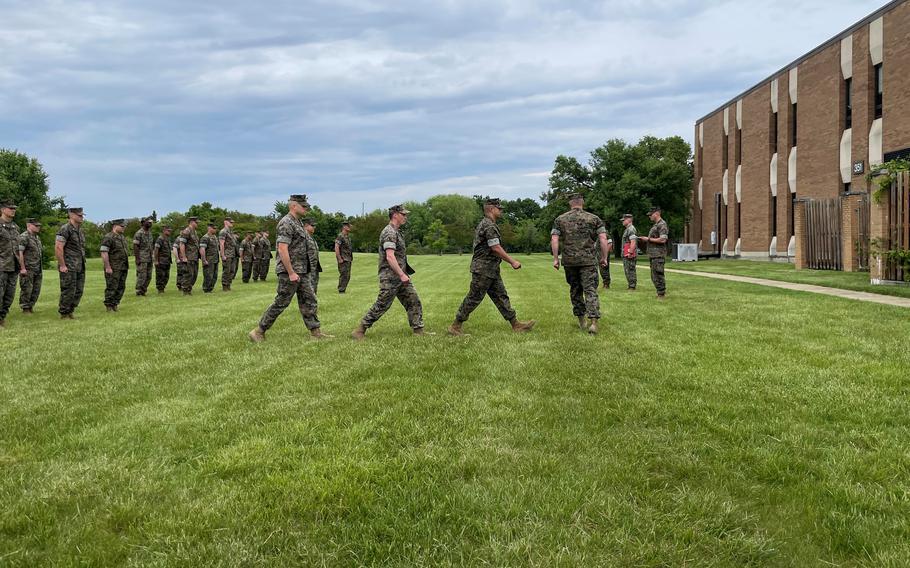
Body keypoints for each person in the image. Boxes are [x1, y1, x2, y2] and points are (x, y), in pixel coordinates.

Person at [448, 198, 535, 336]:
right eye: (498, 208)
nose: (501, 211)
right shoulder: (488, 225)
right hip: (483, 269)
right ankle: (456, 326)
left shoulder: (488, 224)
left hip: (491, 269)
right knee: (474, 297)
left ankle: (515, 324)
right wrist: (512, 261)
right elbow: (495, 247)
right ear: (491, 209)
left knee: (501, 296)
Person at [249, 195, 329, 342]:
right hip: (289, 272)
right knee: (281, 302)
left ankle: (315, 332)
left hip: (302, 270)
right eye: (303, 206)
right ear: (293, 206)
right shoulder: (286, 223)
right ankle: (259, 331)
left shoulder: (298, 222)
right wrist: (291, 272)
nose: (306, 208)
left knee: (309, 300)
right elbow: (282, 248)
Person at [352, 204, 427, 339]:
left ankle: (418, 331)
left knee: (413, 300)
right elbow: (390, 256)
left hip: (400, 276)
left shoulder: (397, 231)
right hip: (391, 277)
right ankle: (360, 330)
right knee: (382, 304)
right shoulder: (389, 232)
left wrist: (403, 274)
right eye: (403, 214)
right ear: (395, 215)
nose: (406, 217)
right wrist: (402, 274)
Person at [550, 193, 610, 334]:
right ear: (582, 202)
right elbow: (603, 239)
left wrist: (555, 258)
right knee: (590, 290)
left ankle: (582, 320)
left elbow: (554, 239)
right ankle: (593, 323)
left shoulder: (560, 219)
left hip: (570, 261)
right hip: (588, 261)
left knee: (575, 290)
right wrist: (604, 257)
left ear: (570, 203)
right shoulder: (594, 219)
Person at [56, 207, 87, 319]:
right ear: (71, 215)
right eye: (79, 215)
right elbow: (59, 247)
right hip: (69, 265)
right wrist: (62, 265)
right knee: (68, 290)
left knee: (79, 290)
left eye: (82, 215)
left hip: (80, 265)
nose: (81, 217)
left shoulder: (80, 230)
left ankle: (70, 310)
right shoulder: (65, 229)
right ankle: (64, 313)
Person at [639, 206, 670, 299]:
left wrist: (647, 239)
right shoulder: (656, 225)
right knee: (654, 275)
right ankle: (659, 292)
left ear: (657, 213)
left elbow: (663, 239)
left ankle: (661, 294)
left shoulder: (662, 224)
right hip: (653, 254)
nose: (649, 216)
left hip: (658, 254)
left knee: (658, 273)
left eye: (651, 214)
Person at [100, 219, 130, 311]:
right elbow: (104, 252)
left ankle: (115, 304)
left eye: (124, 226)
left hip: (123, 266)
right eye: (122, 226)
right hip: (114, 267)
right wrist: (108, 267)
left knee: (121, 287)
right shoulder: (109, 237)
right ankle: (109, 305)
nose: (124, 227)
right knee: (112, 287)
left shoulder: (122, 237)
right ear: (115, 226)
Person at [0, 200, 19, 328]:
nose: (13, 210)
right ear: (2, 209)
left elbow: (17, 249)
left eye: (14, 208)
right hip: (1, 265)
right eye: (10, 208)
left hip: (13, 266)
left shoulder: (15, 227)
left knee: (9, 295)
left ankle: (2, 318)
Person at [18, 218, 43, 314]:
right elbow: (20, 253)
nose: (38, 227)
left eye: (39, 225)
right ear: (29, 225)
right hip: (28, 268)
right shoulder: (24, 237)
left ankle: (31, 306)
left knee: (36, 289)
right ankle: (25, 308)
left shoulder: (37, 237)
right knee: (26, 289)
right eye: (36, 226)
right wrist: (22, 268)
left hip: (37, 268)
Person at [176, 216, 200, 295]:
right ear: (191, 222)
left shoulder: (194, 231)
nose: (197, 224)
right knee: (188, 274)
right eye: (196, 222)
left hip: (194, 257)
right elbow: (182, 244)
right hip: (189, 257)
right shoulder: (186, 231)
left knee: (194, 275)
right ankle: (186, 291)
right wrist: (184, 257)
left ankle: (188, 289)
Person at [132, 217, 154, 296]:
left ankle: (143, 290)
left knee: (149, 276)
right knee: (142, 275)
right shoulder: (139, 233)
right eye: (148, 222)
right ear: (143, 223)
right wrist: (137, 258)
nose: (150, 223)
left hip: (149, 258)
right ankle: (139, 291)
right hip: (142, 258)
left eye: (151, 222)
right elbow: (135, 246)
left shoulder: (149, 233)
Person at [218, 217, 239, 291]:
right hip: (227, 254)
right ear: (225, 222)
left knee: (232, 271)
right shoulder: (223, 232)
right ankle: (225, 286)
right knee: (226, 271)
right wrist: (223, 255)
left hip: (232, 254)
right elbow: (221, 244)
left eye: (232, 222)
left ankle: (228, 285)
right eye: (230, 222)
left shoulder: (230, 232)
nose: (232, 223)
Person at [199, 222, 220, 293]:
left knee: (214, 276)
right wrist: (204, 260)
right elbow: (202, 249)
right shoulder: (205, 237)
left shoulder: (214, 237)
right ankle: (206, 289)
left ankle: (210, 289)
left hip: (215, 260)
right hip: (209, 260)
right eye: (214, 228)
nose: (215, 230)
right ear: (209, 228)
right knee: (208, 275)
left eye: (216, 228)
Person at [303, 218, 322, 294]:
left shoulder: (311, 238)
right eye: (312, 225)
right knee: (308, 288)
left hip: (314, 267)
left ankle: (313, 303)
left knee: (313, 286)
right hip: (307, 268)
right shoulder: (303, 238)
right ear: (306, 226)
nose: (314, 227)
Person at [620, 214, 638, 290]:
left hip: (629, 254)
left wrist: (630, 252)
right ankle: (630, 285)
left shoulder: (631, 229)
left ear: (629, 220)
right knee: (627, 269)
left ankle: (632, 286)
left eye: (624, 220)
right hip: (626, 253)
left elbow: (633, 241)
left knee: (630, 269)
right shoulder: (628, 229)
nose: (622, 222)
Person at [335, 220, 353, 293]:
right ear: (344, 227)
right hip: (343, 259)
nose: (350, 228)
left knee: (347, 275)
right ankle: (341, 290)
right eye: (348, 226)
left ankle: (343, 289)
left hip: (348, 259)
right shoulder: (340, 236)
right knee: (344, 275)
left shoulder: (347, 237)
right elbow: (336, 247)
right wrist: (339, 258)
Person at [154, 226, 173, 293]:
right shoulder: (160, 239)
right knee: (160, 276)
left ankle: (163, 287)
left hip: (167, 261)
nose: (169, 232)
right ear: (164, 231)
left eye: (170, 231)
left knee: (166, 276)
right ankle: (160, 289)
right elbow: (156, 250)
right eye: (168, 230)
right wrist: (156, 260)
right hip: (161, 261)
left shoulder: (167, 239)